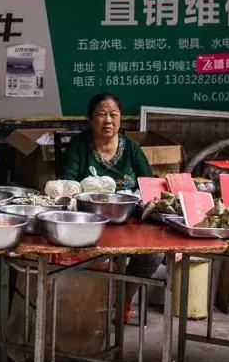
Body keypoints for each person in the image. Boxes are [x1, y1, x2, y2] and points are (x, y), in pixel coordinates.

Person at [57, 91, 157, 322]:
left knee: (154, 255)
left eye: (114, 114)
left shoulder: (131, 147)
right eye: (102, 115)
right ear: (91, 119)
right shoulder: (79, 145)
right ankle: (94, 307)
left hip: (129, 220)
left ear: (121, 118)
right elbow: (66, 183)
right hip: (90, 221)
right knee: (99, 257)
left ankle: (125, 295)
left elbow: (148, 183)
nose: (108, 120)